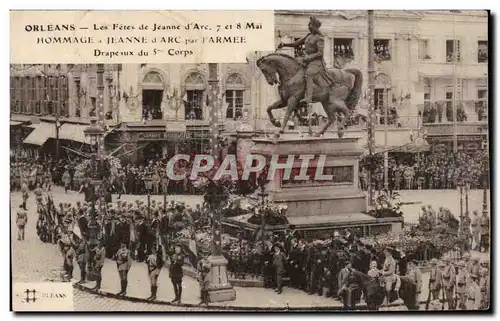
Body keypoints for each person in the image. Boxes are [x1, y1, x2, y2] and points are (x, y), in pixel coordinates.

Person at [277, 16, 333, 104]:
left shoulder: (320, 38)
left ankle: (309, 97)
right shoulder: (308, 36)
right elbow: (296, 43)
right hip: (306, 61)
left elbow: (320, 53)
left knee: (308, 74)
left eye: (310, 25)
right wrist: (284, 44)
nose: (309, 27)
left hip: (316, 62)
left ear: (315, 26)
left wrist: (309, 57)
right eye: (308, 25)